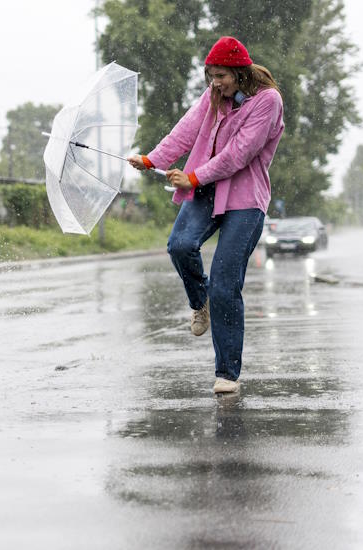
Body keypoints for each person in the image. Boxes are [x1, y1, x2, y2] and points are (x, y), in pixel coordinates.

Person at [127, 36, 284, 394]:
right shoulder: (213, 97)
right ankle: (200, 303)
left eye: (221, 76)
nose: (216, 83)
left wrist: (193, 175)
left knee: (226, 285)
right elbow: (186, 130)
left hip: (245, 199)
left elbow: (239, 153)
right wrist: (152, 159)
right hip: (205, 191)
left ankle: (226, 374)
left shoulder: (267, 101)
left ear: (240, 72)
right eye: (211, 76)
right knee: (179, 246)